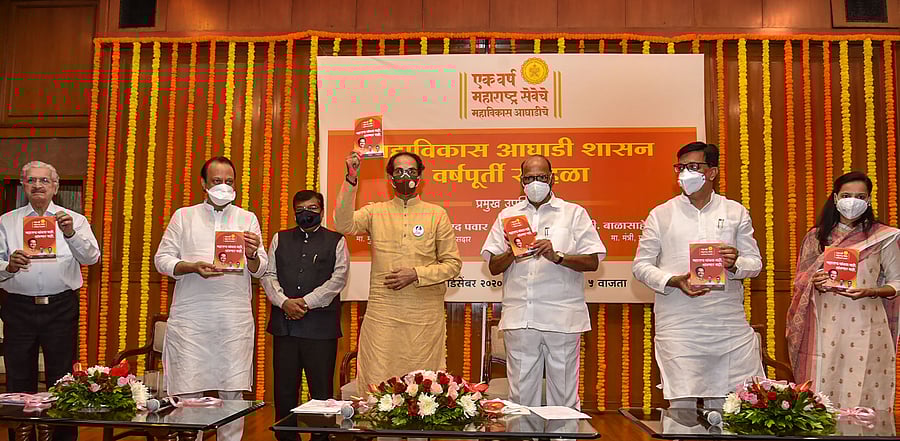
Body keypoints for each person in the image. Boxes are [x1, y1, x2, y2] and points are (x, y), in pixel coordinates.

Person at [632, 142, 763, 410]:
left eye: (693, 167)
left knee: (730, 407)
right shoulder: (661, 214)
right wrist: (673, 281)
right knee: (682, 407)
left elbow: (755, 264)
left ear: (712, 172)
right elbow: (641, 266)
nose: (684, 174)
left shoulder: (735, 212)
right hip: (680, 325)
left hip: (727, 325)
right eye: (680, 167)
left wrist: (735, 262)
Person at [480, 155, 607, 409]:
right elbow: (493, 267)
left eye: (541, 177)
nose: (535, 183)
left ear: (552, 178)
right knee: (521, 397)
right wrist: (512, 252)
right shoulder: (508, 215)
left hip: (562, 318)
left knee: (563, 396)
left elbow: (593, 261)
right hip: (520, 318)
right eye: (529, 178)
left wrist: (556, 256)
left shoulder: (573, 213)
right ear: (521, 181)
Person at [154, 156, 266, 441]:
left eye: (229, 181)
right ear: (204, 184)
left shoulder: (247, 218)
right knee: (189, 389)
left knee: (232, 391)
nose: (223, 187)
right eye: (217, 181)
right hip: (192, 318)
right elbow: (162, 260)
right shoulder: (184, 216)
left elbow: (261, 269)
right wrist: (191, 266)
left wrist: (252, 254)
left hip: (233, 318)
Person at [334, 150, 462, 392]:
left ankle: (420, 430)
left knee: (423, 384)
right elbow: (343, 224)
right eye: (399, 171)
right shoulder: (375, 212)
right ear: (390, 179)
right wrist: (351, 180)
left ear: (420, 177)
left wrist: (416, 274)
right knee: (380, 376)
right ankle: (379, 430)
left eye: (412, 172)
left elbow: (452, 265)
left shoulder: (436, 214)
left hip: (424, 317)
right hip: (384, 313)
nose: (406, 176)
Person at [0, 161, 100, 441]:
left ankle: (63, 438)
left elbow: (92, 258)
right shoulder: (7, 221)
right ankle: (21, 437)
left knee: (62, 380)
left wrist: (70, 233)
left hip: (60, 307)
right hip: (18, 308)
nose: (38, 185)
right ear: (23, 186)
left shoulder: (74, 219)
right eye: (31, 180)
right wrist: (7, 267)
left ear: (55, 186)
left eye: (44, 180)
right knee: (19, 379)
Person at [786, 171, 900, 409]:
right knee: (826, 385)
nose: (852, 201)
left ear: (868, 201)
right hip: (825, 326)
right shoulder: (816, 237)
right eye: (847, 195)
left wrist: (871, 291)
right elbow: (800, 282)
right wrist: (813, 282)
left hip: (868, 326)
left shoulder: (883, 237)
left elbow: (897, 283)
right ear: (836, 198)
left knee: (866, 385)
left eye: (860, 196)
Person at [262, 190, 348, 441]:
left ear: (321, 210)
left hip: (320, 329)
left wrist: (306, 303)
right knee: (285, 391)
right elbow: (268, 275)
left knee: (321, 393)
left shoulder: (337, 240)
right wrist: (284, 302)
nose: (306, 214)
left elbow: (338, 280)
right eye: (300, 209)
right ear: (294, 212)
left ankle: (320, 438)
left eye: (312, 208)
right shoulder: (280, 238)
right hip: (284, 327)